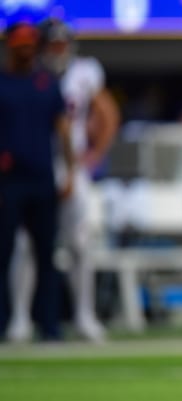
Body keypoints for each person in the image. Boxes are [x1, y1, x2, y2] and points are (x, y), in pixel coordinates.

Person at [6, 18, 119, 343]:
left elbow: (107, 112)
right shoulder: (32, 76)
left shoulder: (83, 73)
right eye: (52, 44)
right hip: (37, 165)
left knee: (80, 242)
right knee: (25, 246)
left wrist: (93, 156)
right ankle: (21, 318)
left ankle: (84, 315)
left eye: (62, 44)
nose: (58, 50)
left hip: (72, 165)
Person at [0, 20, 74, 342]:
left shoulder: (46, 82)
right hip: (7, 180)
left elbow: (63, 130)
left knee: (47, 255)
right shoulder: (2, 82)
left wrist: (70, 171)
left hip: (42, 177)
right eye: (21, 44)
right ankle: (4, 323)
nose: (27, 50)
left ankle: (50, 326)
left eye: (30, 44)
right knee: (2, 254)